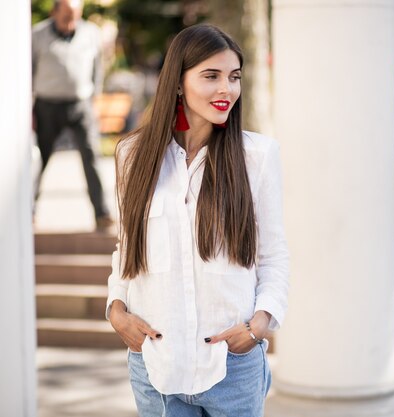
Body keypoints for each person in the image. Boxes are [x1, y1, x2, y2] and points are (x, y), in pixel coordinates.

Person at [105, 24, 289, 417]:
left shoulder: (257, 156)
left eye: (234, 77)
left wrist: (258, 326)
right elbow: (127, 248)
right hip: (156, 367)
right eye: (211, 76)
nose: (227, 89)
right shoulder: (132, 156)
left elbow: (274, 255)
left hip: (232, 367)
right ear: (177, 82)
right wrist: (115, 309)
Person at [31, 0, 113, 230]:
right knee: (38, 160)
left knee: (91, 156)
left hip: (81, 104)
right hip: (47, 105)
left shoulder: (91, 33)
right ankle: (29, 210)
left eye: (75, 16)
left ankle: (102, 213)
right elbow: (28, 71)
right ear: (54, 12)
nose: (71, 21)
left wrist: (95, 97)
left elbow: (98, 68)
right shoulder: (36, 35)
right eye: (66, 15)